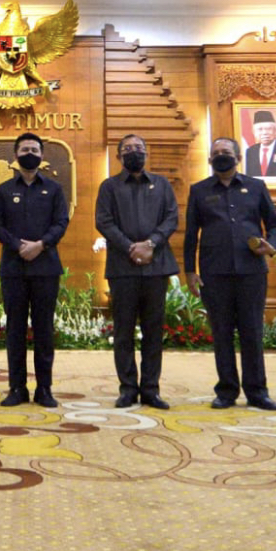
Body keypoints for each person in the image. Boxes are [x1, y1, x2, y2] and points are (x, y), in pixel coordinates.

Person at [184, 137, 276, 411]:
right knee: (222, 332)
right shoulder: (199, 190)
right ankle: (226, 391)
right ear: (209, 160)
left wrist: (271, 245)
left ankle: (257, 391)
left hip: (252, 271)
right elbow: (191, 234)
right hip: (214, 273)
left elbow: (275, 225)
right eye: (215, 153)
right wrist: (190, 272)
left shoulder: (256, 187)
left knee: (252, 332)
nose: (220, 156)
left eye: (226, 152)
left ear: (237, 157)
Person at [95, 134, 178, 410]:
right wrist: (132, 247)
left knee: (154, 331)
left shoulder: (162, 184)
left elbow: (171, 218)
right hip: (123, 268)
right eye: (127, 149)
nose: (134, 152)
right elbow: (103, 221)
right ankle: (128, 388)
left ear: (146, 153)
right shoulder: (109, 187)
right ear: (119, 156)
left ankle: (151, 389)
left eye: (139, 148)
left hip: (156, 268)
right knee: (123, 331)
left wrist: (151, 244)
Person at [0, 133, 69, 408]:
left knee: (44, 331)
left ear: (42, 156)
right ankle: (17, 388)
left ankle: (44, 389)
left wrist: (41, 245)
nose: (30, 152)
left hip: (46, 269)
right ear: (16, 155)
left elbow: (61, 222)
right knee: (15, 331)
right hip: (13, 268)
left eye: (34, 149)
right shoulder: (3, 190)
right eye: (25, 149)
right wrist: (18, 246)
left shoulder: (55, 189)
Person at [244, 110, 276, 177]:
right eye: (260, 129)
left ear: (275, 131)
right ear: (254, 132)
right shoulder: (250, 151)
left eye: (268, 129)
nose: (265, 133)